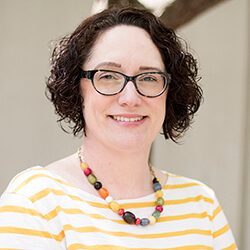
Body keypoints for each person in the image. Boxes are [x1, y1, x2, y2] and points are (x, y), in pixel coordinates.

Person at [0, 7, 237, 250]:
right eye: (108, 76)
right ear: (76, 88)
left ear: (170, 91)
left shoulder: (201, 205)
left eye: (149, 77)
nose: (130, 98)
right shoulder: (36, 203)